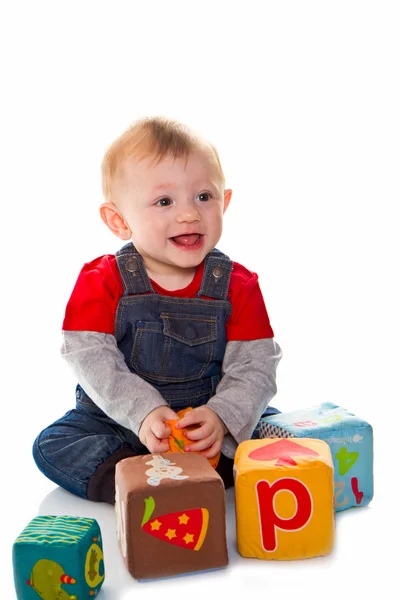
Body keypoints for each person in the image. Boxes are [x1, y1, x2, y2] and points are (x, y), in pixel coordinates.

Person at [32, 116, 282, 504]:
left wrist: (221, 417)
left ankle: (202, 466)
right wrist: (144, 412)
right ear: (119, 220)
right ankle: (133, 476)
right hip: (120, 421)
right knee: (53, 443)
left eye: (203, 197)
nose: (188, 214)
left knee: (269, 422)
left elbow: (255, 366)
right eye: (164, 202)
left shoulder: (237, 285)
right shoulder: (102, 280)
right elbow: (90, 357)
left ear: (224, 202)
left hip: (204, 422)